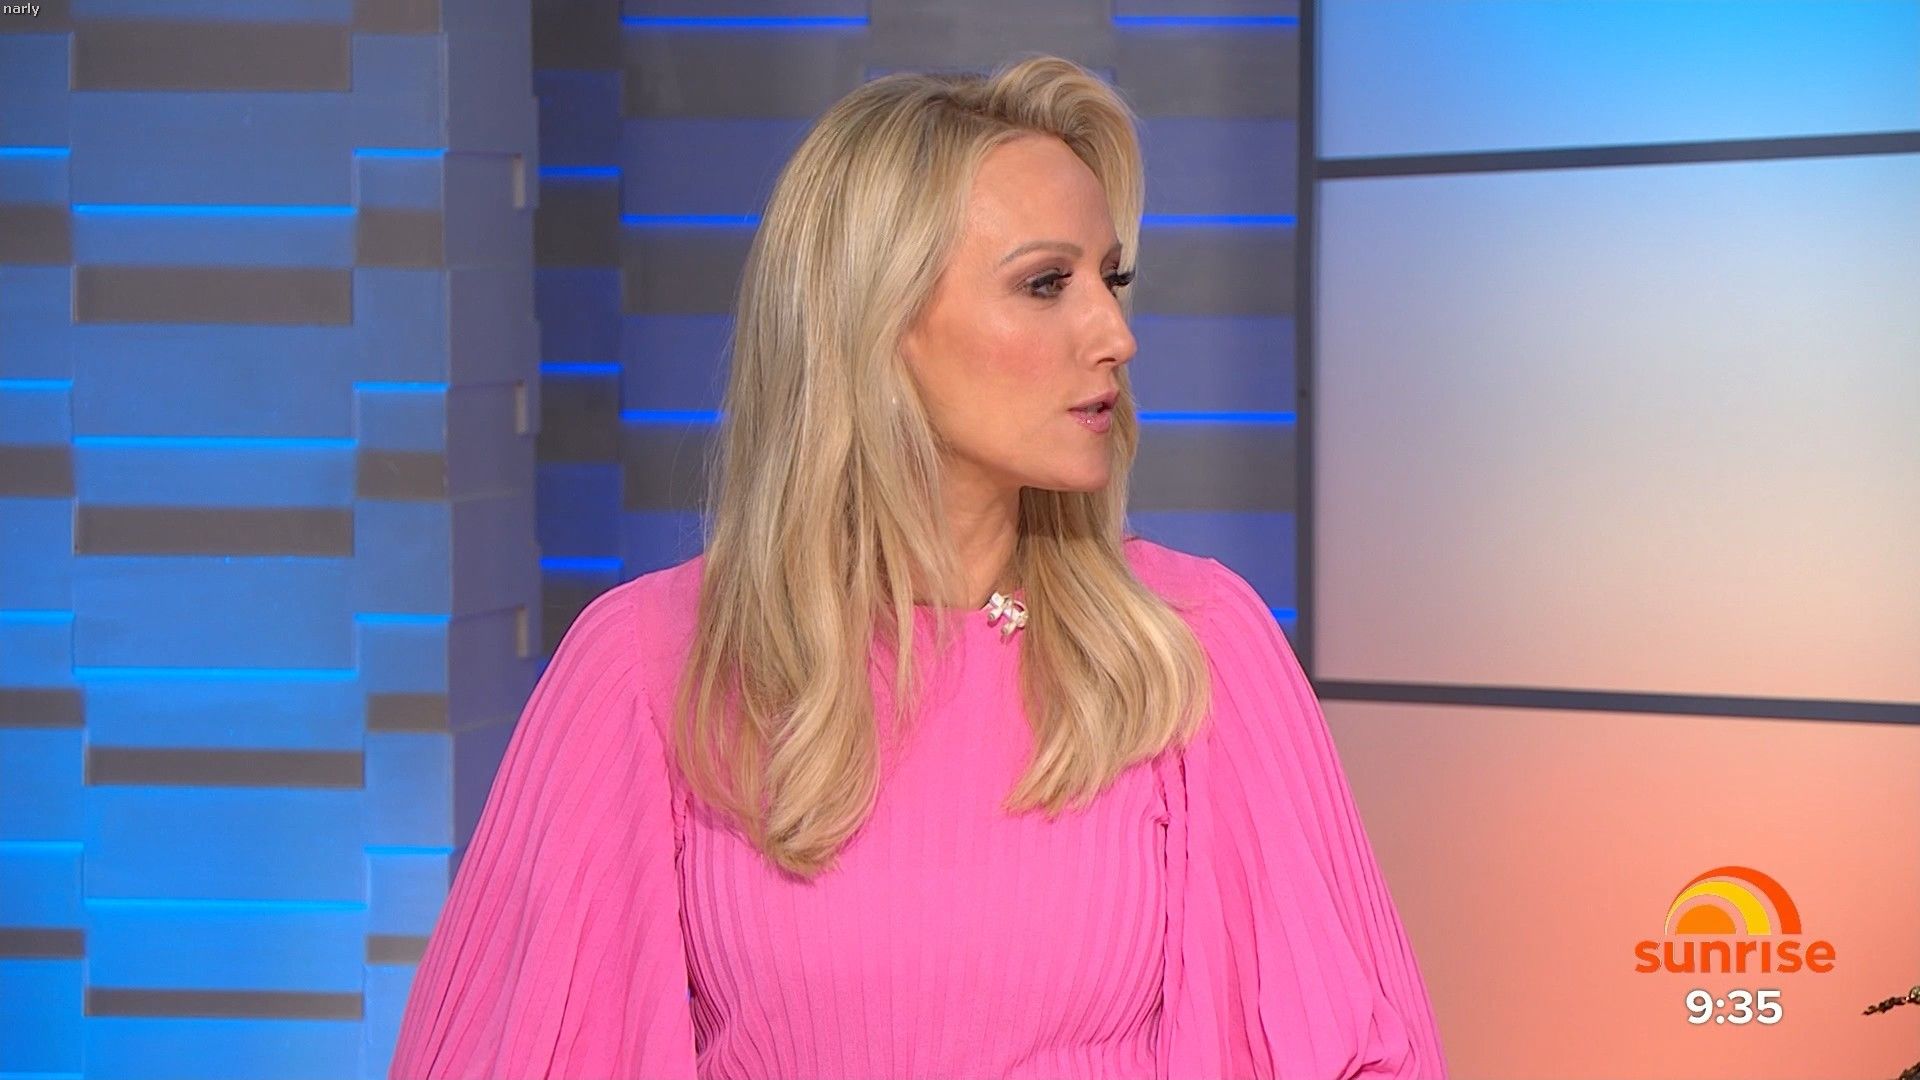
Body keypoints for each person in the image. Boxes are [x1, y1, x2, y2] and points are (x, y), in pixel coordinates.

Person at [387, 54, 1447, 1080]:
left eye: (1111, 279)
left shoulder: (1195, 645)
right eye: (1046, 283)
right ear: (876, 322)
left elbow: (1358, 1054)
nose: (1115, 333)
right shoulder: (646, 662)